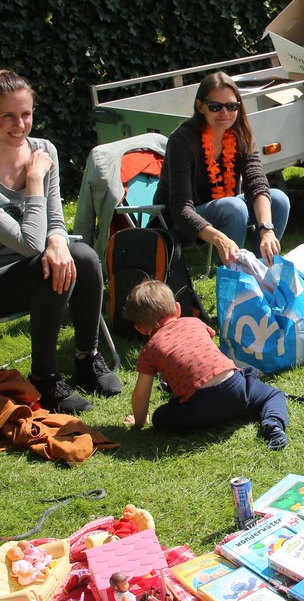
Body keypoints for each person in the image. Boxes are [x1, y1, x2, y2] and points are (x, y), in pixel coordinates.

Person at [0, 69, 120, 414]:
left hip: (28, 265)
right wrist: (35, 179)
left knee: (83, 256)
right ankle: (44, 378)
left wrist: (56, 241)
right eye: (7, 116)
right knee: (49, 265)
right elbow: (28, 244)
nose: (20, 124)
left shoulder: (43, 150)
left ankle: (88, 358)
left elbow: (54, 222)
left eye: (26, 114)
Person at [122, 278, 289, 447]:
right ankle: (273, 424)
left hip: (199, 407)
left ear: (140, 328)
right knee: (273, 395)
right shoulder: (195, 322)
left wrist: (139, 421)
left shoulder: (149, 350)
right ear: (178, 309)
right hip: (236, 389)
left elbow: (141, 394)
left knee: (160, 416)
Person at [155, 71, 289, 267]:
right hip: (179, 223)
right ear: (200, 107)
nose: (225, 113)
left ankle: (262, 270)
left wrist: (267, 230)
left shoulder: (241, 134)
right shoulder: (182, 140)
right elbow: (180, 207)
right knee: (234, 208)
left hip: (226, 209)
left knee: (278, 200)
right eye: (215, 107)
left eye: (231, 106)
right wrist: (219, 239)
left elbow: (257, 183)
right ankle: (233, 279)